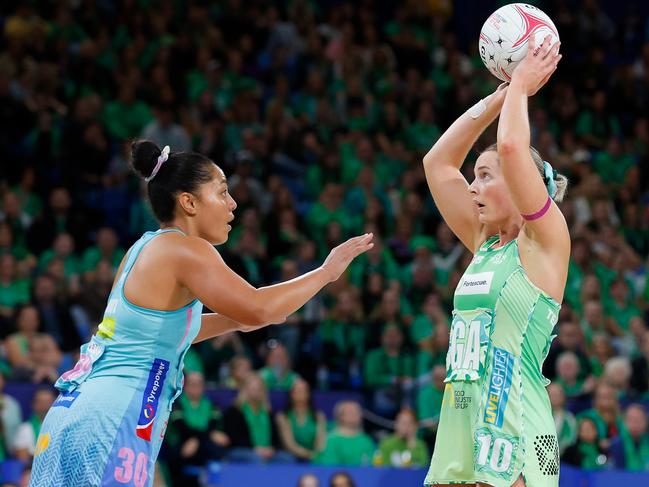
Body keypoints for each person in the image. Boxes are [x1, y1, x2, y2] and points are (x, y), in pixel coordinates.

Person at [29, 140, 374, 486]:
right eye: (222, 192)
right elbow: (259, 308)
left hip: (76, 411)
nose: (233, 204)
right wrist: (327, 272)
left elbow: (161, 331)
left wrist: (232, 321)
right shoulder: (188, 250)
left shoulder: (143, 247)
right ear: (189, 202)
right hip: (112, 416)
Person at [422, 35, 568, 487]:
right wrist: (500, 95)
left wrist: (522, 87)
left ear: (521, 184)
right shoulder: (485, 241)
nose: (472, 187)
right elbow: (437, 162)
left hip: (514, 428)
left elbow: (509, 148)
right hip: (462, 422)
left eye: (483, 177)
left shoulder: (545, 239)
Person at [223, 373, 292, 463]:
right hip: (242, 450)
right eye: (252, 388)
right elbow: (234, 438)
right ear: (244, 390)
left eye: (258, 389)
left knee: (287, 459)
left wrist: (272, 449)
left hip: (267, 451)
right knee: (256, 459)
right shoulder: (234, 411)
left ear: (263, 391)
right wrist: (255, 449)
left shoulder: (268, 412)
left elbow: (276, 438)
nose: (255, 391)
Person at [276, 378, 327, 461]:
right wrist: (308, 454)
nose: (300, 393)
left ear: (308, 394)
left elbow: (321, 442)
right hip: (292, 455)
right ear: (291, 394)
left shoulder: (319, 416)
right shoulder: (283, 417)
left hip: (314, 454)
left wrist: (316, 454)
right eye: (297, 391)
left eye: (303, 390)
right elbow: (290, 445)